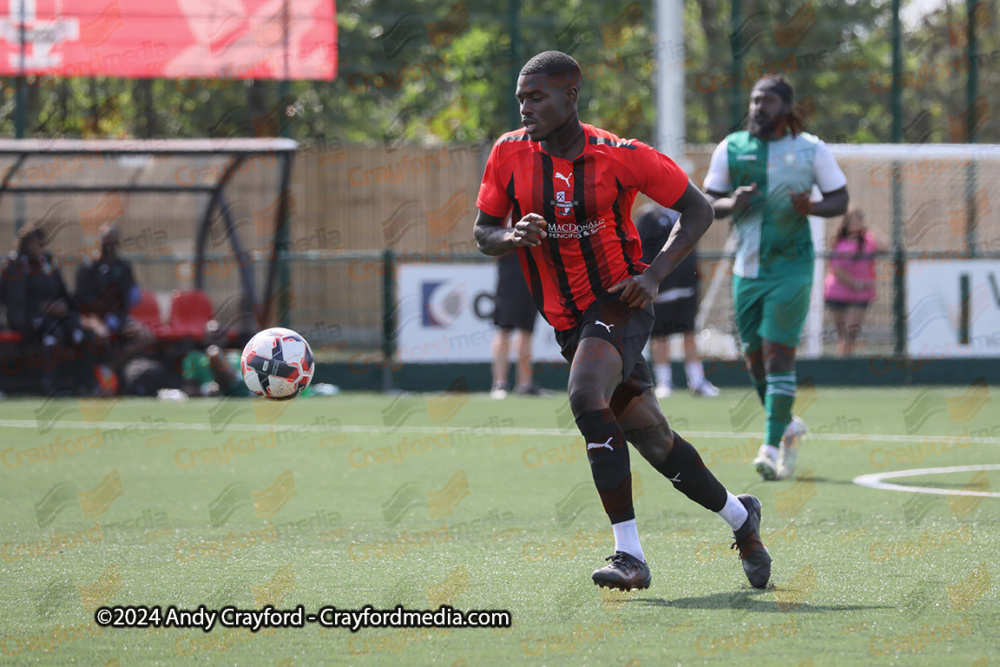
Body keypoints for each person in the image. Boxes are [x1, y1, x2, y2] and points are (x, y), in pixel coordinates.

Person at [473, 51, 771, 592]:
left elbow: (699, 209)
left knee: (586, 395)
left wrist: (654, 276)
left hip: (620, 303)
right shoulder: (508, 153)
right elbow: (483, 231)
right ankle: (739, 516)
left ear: (570, 97)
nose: (524, 108)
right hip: (568, 322)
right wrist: (512, 237)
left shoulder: (621, 155)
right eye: (520, 98)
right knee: (653, 438)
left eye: (535, 97)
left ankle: (628, 555)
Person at [703, 74, 849, 481]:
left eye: (766, 102)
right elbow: (708, 202)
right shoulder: (730, 148)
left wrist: (813, 207)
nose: (757, 109)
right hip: (747, 270)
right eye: (753, 101)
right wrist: (733, 202)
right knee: (753, 358)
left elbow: (840, 197)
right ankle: (787, 425)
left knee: (778, 351)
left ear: (786, 109)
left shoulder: (810, 149)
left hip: (793, 266)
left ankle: (769, 447)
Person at [634, 204, 720, 399]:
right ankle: (664, 382)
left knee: (688, 332)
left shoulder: (687, 212)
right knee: (660, 335)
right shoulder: (648, 217)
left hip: (686, 286)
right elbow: (643, 250)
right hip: (662, 289)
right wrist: (650, 280)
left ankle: (697, 381)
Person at [2, 222, 98, 395]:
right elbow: (15, 302)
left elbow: (63, 292)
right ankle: (49, 385)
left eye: (42, 242)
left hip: (56, 316)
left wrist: (66, 307)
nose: (39, 246)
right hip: (30, 319)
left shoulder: (47, 261)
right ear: (25, 243)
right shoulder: (16, 265)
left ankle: (85, 384)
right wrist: (42, 307)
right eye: (35, 242)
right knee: (55, 334)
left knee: (84, 333)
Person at [490, 250, 550, 399]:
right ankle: (499, 383)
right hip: (511, 270)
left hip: (535, 271)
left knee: (527, 330)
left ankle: (525, 384)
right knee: (505, 328)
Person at [824, 209, 884, 357]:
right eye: (853, 221)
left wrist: (870, 228)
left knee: (850, 332)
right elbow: (835, 269)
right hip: (837, 293)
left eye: (859, 221)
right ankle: (844, 362)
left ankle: (844, 365)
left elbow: (885, 246)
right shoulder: (839, 243)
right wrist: (856, 283)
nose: (856, 224)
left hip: (860, 296)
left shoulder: (868, 240)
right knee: (842, 334)